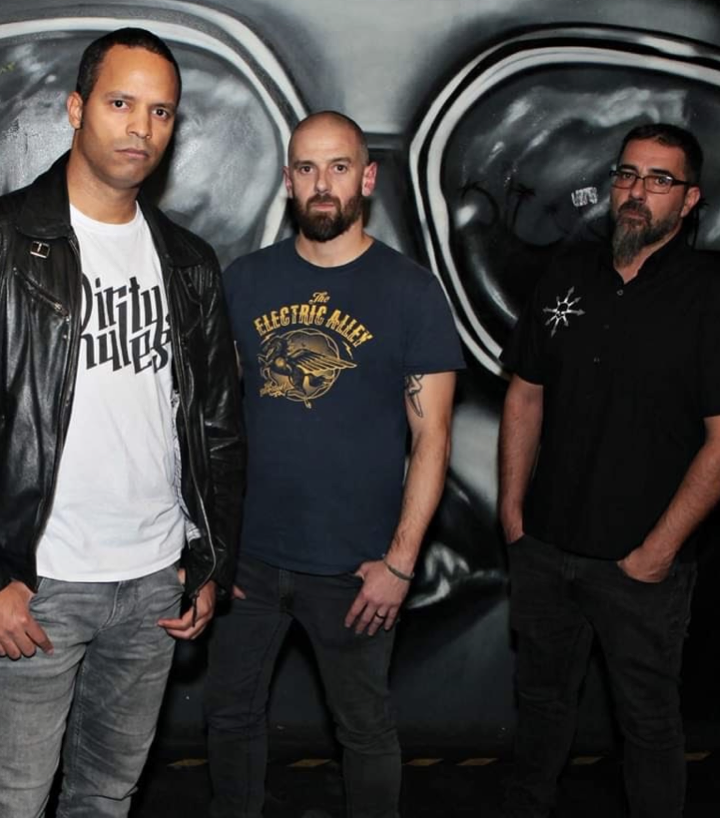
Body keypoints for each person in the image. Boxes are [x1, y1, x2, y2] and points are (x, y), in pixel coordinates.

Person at [0, 28, 244, 818]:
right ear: (77, 108)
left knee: (107, 798)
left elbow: (219, 426)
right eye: (121, 103)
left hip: (155, 584)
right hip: (36, 584)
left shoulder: (189, 262)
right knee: (9, 805)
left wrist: (210, 561)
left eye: (161, 112)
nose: (140, 128)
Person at [498, 123, 720, 817]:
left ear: (691, 199)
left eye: (659, 180)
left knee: (647, 725)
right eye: (627, 175)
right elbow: (525, 393)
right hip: (544, 547)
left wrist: (658, 551)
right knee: (540, 706)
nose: (637, 192)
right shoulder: (567, 273)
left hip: (640, 568)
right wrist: (513, 513)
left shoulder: (717, 296)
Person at [204, 111, 465, 818]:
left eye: (339, 167)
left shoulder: (411, 292)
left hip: (356, 570)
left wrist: (400, 564)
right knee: (230, 718)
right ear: (288, 181)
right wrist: (210, 546)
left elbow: (433, 439)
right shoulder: (245, 281)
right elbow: (209, 423)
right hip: (249, 563)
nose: (323, 184)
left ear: (367, 178)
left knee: (365, 730)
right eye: (308, 168)